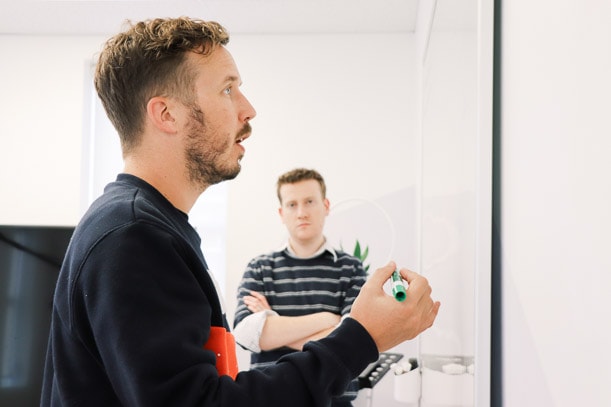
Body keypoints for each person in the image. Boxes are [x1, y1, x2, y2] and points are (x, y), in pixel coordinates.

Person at [40, 17, 440, 407]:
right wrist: (361, 335)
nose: (248, 110)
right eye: (228, 90)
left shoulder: (148, 228)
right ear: (166, 115)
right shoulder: (132, 236)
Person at [233, 168, 367, 407]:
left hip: (334, 400)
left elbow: (354, 340)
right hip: (271, 398)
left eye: (309, 202)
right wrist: (328, 320)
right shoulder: (259, 268)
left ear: (326, 206)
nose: (302, 212)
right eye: (292, 205)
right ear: (281, 213)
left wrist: (273, 325)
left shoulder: (351, 268)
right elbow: (245, 334)